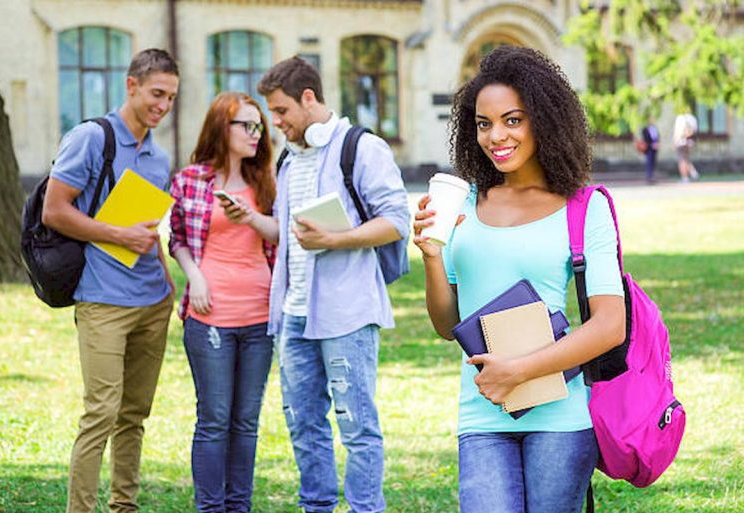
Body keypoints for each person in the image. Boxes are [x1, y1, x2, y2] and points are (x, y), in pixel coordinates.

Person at [413, 46, 626, 513]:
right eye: (484, 123)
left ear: (544, 120)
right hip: (481, 415)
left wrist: (519, 371)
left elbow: (611, 325)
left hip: (561, 417)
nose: (496, 136)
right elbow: (448, 324)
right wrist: (432, 256)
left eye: (513, 120)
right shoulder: (464, 203)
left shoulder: (583, 207)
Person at [256, 56, 410, 513]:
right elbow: (290, 236)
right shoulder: (288, 160)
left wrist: (336, 239)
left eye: (282, 111)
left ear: (309, 98)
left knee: (357, 427)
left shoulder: (362, 148)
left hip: (346, 313)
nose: (276, 123)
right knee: (303, 424)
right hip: (293, 314)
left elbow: (397, 221)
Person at [41, 48, 179, 513]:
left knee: (134, 417)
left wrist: (165, 276)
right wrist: (115, 233)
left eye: (171, 97)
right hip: (102, 300)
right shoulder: (91, 138)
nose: (163, 105)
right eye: (157, 93)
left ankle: (125, 506)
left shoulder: (159, 159)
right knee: (100, 414)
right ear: (132, 85)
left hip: (152, 300)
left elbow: (148, 226)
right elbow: (54, 211)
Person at [168, 91, 278, 513]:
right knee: (214, 420)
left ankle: (239, 507)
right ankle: (211, 508)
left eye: (259, 126)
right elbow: (176, 237)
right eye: (246, 125)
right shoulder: (191, 180)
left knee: (245, 422)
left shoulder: (266, 180)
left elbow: (284, 235)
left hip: (259, 316)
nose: (255, 134)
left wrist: (250, 217)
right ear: (222, 127)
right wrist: (194, 276)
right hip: (210, 314)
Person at [673, 112, 699, 183]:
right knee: (686, 158)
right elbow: (695, 131)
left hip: (681, 142)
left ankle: (685, 177)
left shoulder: (680, 118)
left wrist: (675, 142)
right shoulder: (692, 118)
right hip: (689, 142)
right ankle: (693, 172)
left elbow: (678, 132)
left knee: (682, 160)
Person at [641, 117, 660, 184]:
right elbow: (645, 139)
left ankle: (653, 177)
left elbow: (657, 137)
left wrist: (657, 144)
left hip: (655, 148)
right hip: (649, 148)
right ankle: (649, 177)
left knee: (653, 163)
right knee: (649, 163)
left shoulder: (655, 128)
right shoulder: (645, 129)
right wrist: (651, 145)